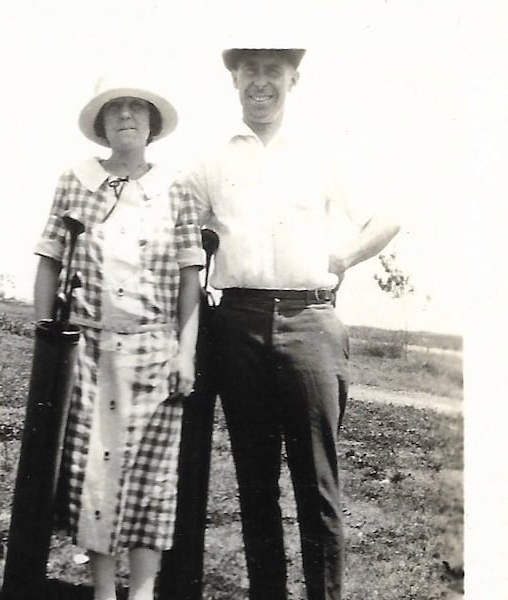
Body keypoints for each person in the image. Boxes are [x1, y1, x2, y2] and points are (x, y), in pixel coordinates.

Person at [170, 48, 401, 600]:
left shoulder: (322, 153)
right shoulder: (209, 161)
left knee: (317, 483)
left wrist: (342, 259)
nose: (261, 83)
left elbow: (385, 218)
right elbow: (171, 226)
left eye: (273, 71)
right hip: (238, 325)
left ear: (293, 80)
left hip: (311, 322)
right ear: (234, 80)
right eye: (249, 71)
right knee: (255, 484)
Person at [33, 79, 203, 600]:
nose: (126, 116)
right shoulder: (75, 181)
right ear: (101, 123)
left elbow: (190, 278)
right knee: (93, 473)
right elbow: (49, 261)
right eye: (115, 108)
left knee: (150, 476)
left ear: (153, 124)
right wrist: (48, 346)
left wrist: (186, 352)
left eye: (137, 108)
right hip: (87, 351)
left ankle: (144, 591)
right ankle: (103, 590)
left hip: (154, 352)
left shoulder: (179, 187)